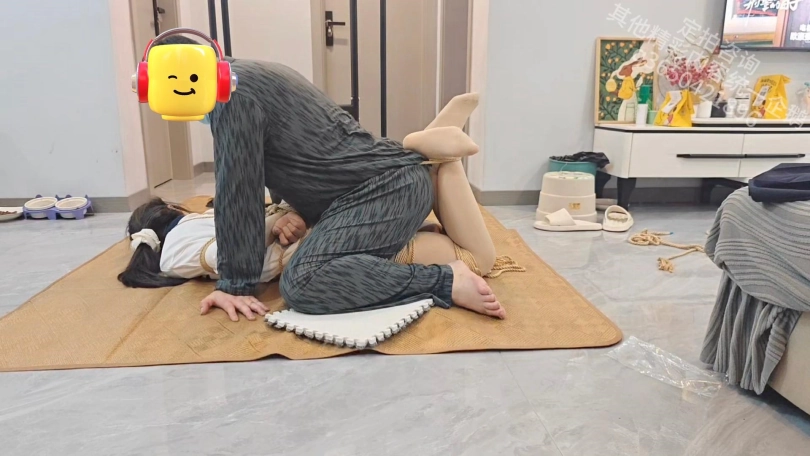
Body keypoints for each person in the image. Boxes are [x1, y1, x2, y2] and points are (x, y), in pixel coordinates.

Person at [151, 36, 501, 322]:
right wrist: (294, 211)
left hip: (388, 188)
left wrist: (234, 285)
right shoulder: (251, 76)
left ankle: (446, 279)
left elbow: (238, 191)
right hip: (379, 186)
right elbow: (294, 160)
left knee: (303, 281)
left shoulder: (233, 96)